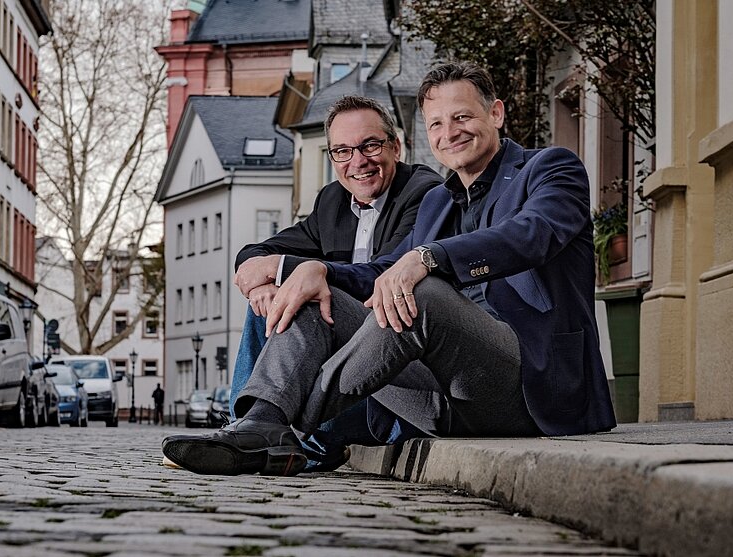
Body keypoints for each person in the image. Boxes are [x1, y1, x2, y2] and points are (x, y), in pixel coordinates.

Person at [162, 61, 616, 477]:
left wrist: (428, 257)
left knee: (425, 295)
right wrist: (315, 271)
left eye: (462, 117)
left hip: (527, 388)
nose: (449, 132)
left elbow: (530, 236)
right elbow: (382, 271)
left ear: (495, 113)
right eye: (436, 123)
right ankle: (262, 420)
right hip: (438, 396)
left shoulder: (551, 169)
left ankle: (279, 426)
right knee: (311, 296)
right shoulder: (440, 200)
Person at [229, 95, 441, 470]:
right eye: (342, 151)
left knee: (306, 294)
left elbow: (384, 276)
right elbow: (259, 250)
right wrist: (262, 280)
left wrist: (306, 271)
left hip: (395, 365)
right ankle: (247, 426)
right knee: (280, 294)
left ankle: (274, 437)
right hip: (337, 364)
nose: (357, 162)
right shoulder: (333, 201)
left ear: (396, 146)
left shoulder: (425, 193)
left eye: (370, 145)